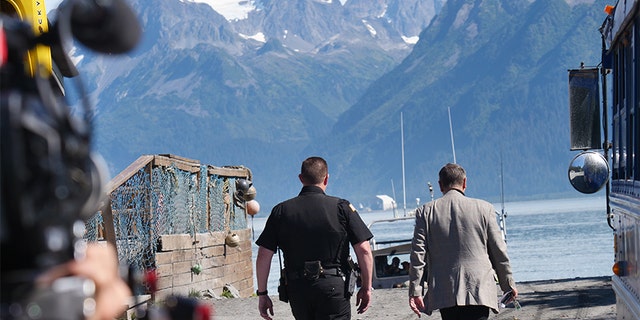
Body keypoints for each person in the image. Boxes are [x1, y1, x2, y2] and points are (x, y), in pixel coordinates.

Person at [255, 156, 374, 320]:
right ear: (326, 178)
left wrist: (262, 293)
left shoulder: (281, 211)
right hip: (333, 286)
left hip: (298, 288)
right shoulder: (342, 208)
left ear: (300, 178)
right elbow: (364, 251)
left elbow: (263, 255)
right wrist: (366, 287)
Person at [408, 163, 518, 319]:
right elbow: (498, 251)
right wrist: (508, 285)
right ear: (465, 183)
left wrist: (415, 291)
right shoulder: (484, 208)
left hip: (446, 290)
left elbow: (417, 255)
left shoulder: (425, 212)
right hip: (479, 288)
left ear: (440, 185)